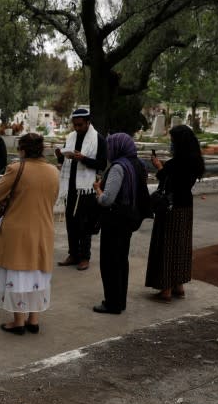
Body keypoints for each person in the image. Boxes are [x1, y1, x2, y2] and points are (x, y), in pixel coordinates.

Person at [0, 133, 60, 334]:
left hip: (19, 229)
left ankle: (18, 321)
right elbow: (53, 198)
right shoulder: (53, 171)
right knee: (38, 273)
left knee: (18, 273)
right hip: (43, 227)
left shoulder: (16, 168)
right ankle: (33, 319)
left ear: (22, 149)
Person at [145, 125, 205, 302]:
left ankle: (166, 289)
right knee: (181, 246)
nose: (171, 145)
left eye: (172, 141)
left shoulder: (176, 163)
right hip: (186, 207)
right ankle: (179, 285)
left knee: (167, 245)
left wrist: (159, 168)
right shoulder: (195, 161)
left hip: (170, 208)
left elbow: (169, 181)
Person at [92, 133, 148, 314]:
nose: (108, 150)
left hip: (114, 221)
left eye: (110, 147)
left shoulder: (118, 167)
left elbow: (107, 200)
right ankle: (119, 301)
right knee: (121, 261)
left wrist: (98, 190)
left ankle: (112, 303)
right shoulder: (137, 164)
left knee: (110, 263)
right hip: (128, 220)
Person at [55, 108, 108, 271]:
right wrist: (59, 155)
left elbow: (102, 164)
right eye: (75, 125)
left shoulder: (98, 139)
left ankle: (85, 257)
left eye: (80, 125)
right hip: (70, 186)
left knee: (85, 224)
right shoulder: (71, 137)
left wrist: (84, 159)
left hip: (87, 189)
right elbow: (64, 161)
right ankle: (73, 254)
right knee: (71, 223)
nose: (77, 128)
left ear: (88, 122)